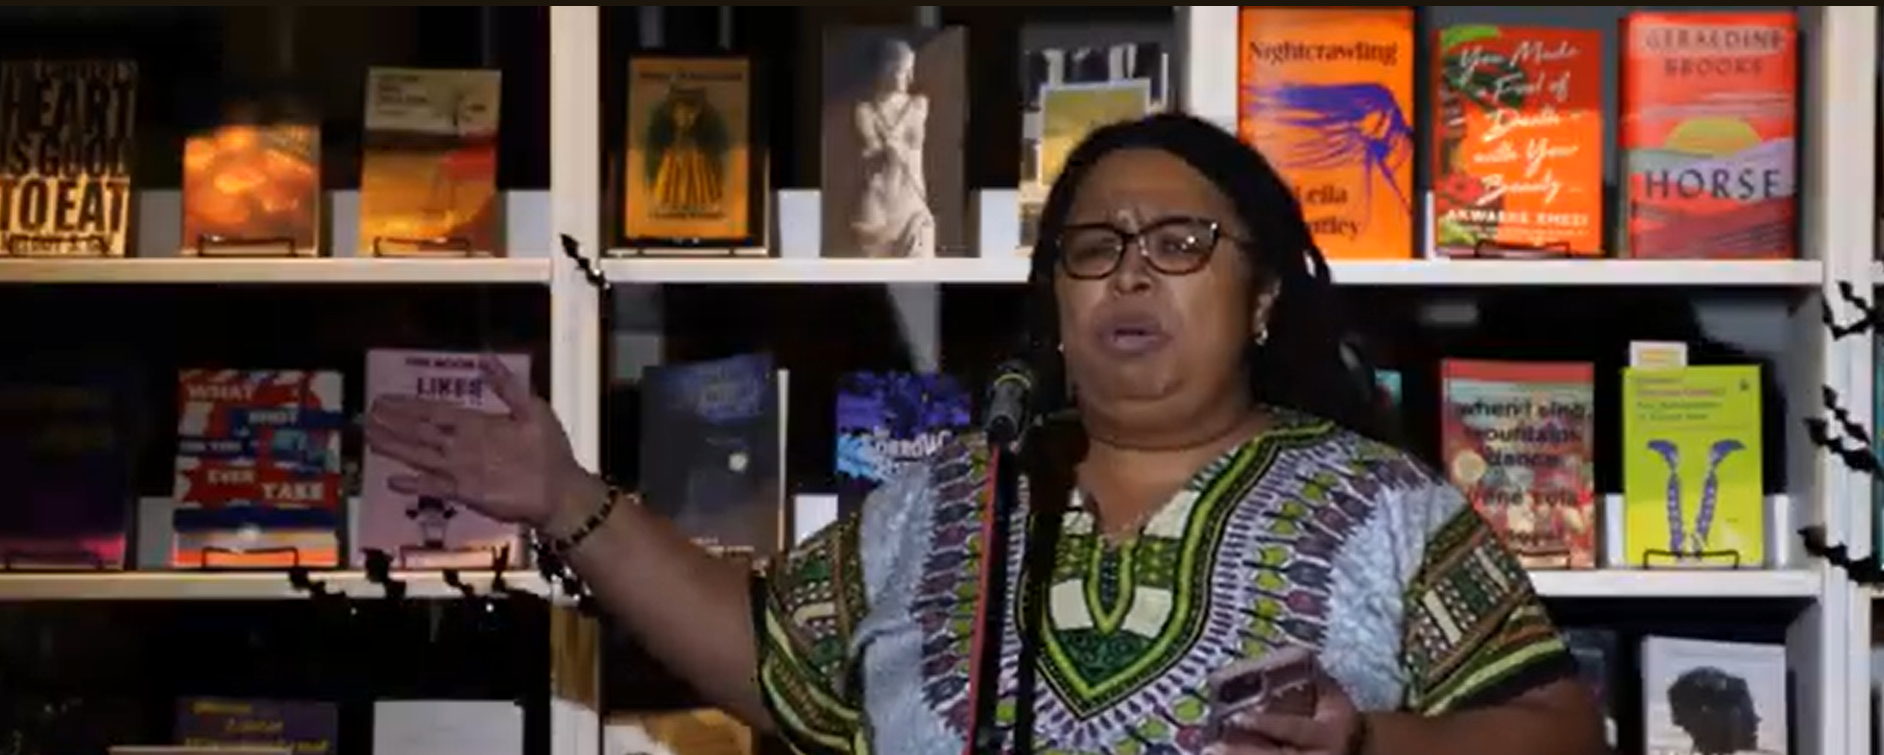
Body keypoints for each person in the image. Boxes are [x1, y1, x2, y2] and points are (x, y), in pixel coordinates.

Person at [365, 113, 1605, 755]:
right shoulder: (955, 493)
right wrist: (570, 494)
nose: (1131, 277)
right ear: (1055, 298)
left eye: (1179, 245)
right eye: (1093, 247)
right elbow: (777, 665)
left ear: (1263, 293)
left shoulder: (1380, 501)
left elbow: (1560, 734)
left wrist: (1367, 741)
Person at [850, 37, 936, 258]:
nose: (910, 77)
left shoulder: (919, 105)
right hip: (879, 196)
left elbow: (915, 142)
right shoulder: (866, 110)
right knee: (871, 272)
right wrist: (881, 150)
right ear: (886, 69)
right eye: (903, 70)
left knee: (918, 268)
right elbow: (869, 149)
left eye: (911, 70)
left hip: (912, 197)